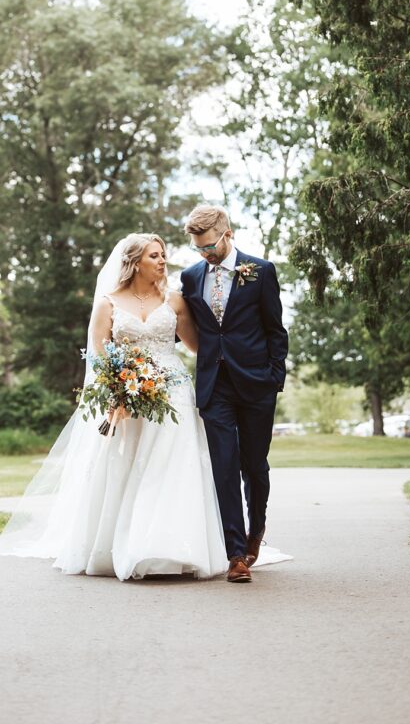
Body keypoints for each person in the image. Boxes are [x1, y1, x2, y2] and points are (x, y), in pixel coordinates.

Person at [0, 232, 289, 581]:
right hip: (129, 398)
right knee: (130, 467)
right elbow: (98, 355)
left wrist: (245, 363)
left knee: (175, 465)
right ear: (135, 262)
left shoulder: (177, 300)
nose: (163, 260)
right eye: (155, 255)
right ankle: (128, 544)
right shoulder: (107, 303)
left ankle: (175, 547)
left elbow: (201, 347)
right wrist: (120, 387)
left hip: (175, 392)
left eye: (163, 254)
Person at [181, 204, 289, 582]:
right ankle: (236, 554)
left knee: (254, 467)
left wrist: (275, 377)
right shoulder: (191, 277)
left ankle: (255, 529)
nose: (205, 255)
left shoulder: (261, 272)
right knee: (224, 467)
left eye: (210, 246)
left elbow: (276, 330)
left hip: (257, 384)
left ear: (227, 235)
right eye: (199, 249)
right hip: (215, 387)